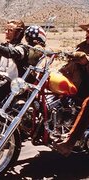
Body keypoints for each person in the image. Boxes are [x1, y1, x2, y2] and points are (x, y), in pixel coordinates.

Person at [54, 23, 89, 156]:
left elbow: (84, 59)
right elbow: (70, 64)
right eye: (87, 31)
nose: (87, 34)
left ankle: (69, 143)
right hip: (79, 86)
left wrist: (86, 60)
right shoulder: (82, 46)